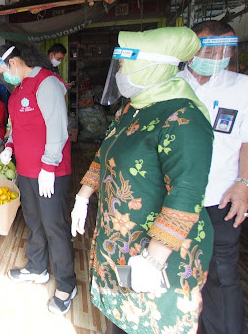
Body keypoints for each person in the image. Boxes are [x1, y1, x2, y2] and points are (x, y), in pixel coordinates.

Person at [70, 27, 215, 333]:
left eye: (123, 65)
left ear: (151, 66)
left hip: (159, 252)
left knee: (147, 322)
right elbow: (105, 154)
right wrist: (83, 196)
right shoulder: (132, 109)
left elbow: (187, 192)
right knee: (121, 323)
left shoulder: (183, 117)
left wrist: (155, 258)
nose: (119, 72)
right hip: (123, 243)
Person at [175, 20, 248, 334]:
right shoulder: (171, 84)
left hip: (221, 199)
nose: (215, 55)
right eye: (207, 48)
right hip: (172, 200)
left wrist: (244, 184)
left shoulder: (247, 89)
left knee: (221, 275)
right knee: (172, 273)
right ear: (189, 51)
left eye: (223, 49)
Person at [0, 44, 75, 315]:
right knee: (34, 221)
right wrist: (10, 147)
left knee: (54, 225)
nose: (3, 75)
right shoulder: (17, 92)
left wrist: (48, 165)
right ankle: (37, 268)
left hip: (50, 172)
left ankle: (66, 283)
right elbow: (15, 127)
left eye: (2, 69)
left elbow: (58, 128)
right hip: (25, 170)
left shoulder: (46, 82)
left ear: (13, 61)